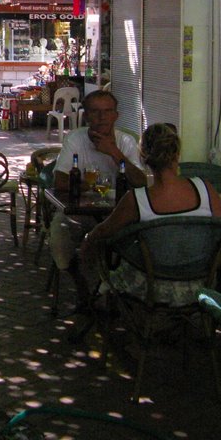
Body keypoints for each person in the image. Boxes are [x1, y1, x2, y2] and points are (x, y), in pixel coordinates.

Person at [80, 123, 221, 305]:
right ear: (177, 154)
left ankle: (94, 304)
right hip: (202, 281)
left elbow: (102, 232)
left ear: (143, 157)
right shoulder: (204, 189)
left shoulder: (137, 200)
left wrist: (86, 241)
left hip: (151, 286)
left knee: (102, 250)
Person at [49, 89, 146, 301]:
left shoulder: (126, 142)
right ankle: (81, 283)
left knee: (136, 240)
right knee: (59, 231)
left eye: (107, 111)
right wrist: (89, 186)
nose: (102, 117)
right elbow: (60, 180)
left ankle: (110, 288)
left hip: (120, 213)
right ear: (87, 115)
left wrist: (114, 152)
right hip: (82, 212)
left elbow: (140, 182)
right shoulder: (75, 139)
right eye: (95, 112)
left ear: (116, 115)